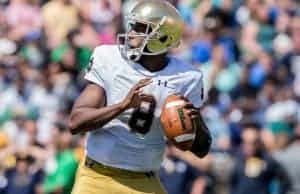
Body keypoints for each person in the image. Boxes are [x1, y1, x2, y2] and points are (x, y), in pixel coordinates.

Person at [68, 1, 211, 194]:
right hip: (97, 177)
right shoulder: (109, 58)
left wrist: (193, 127)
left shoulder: (186, 77)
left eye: (141, 28)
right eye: (133, 25)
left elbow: (202, 149)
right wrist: (122, 106)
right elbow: (76, 122)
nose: (132, 32)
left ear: (163, 37)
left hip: (145, 181)